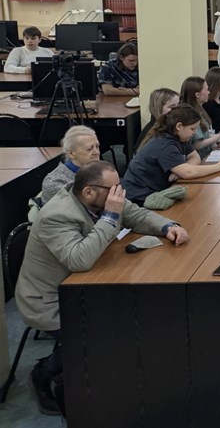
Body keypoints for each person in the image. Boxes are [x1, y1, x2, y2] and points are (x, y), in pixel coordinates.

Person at [15, 160, 188, 416]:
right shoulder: (57, 215)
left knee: (128, 317)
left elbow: (137, 215)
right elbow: (79, 260)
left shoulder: (103, 198)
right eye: (114, 189)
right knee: (102, 333)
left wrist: (168, 226)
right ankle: (44, 373)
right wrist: (110, 217)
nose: (120, 194)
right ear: (88, 192)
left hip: (84, 287)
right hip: (49, 301)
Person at [121, 104, 220, 206]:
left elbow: (195, 157)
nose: (194, 132)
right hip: (139, 198)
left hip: (155, 192)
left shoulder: (179, 137)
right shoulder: (165, 144)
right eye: (192, 129)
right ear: (179, 126)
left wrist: (180, 170)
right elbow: (188, 172)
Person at [33, 125, 101, 212]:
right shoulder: (56, 183)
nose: (96, 152)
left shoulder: (100, 171)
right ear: (71, 153)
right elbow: (82, 214)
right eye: (89, 149)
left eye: (97, 146)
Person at [179, 75, 220, 158]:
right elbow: (197, 145)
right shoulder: (190, 114)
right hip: (201, 157)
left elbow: (207, 134)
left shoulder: (201, 109)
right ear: (197, 94)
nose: (209, 92)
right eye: (206, 90)